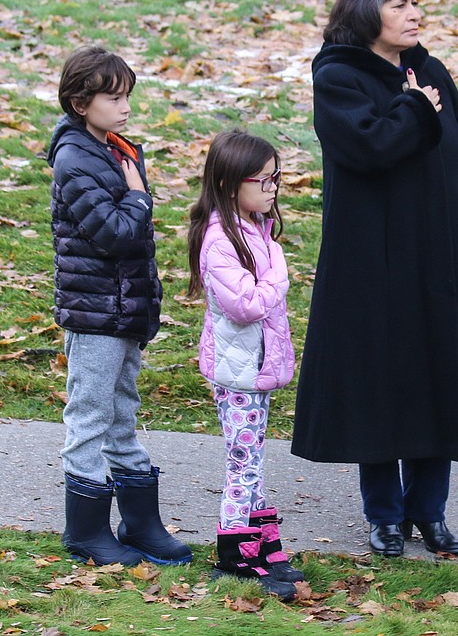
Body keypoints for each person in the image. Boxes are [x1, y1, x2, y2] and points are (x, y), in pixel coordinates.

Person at [290, 0, 458, 557]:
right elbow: (370, 147)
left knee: (440, 378)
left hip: (441, 256)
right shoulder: (339, 77)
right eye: (398, 4)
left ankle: (429, 512)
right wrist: (414, 109)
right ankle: (384, 514)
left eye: (415, 1)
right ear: (366, 12)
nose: (414, 13)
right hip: (374, 265)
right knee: (381, 386)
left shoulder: (429, 71)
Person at [47, 45, 191, 567]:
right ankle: (85, 530)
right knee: (89, 416)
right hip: (95, 313)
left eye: (127, 94)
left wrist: (135, 194)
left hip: (125, 309)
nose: (124, 105)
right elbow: (116, 234)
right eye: (113, 96)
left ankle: (138, 522)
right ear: (80, 102)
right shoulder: (74, 158)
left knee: (122, 413)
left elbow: (134, 235)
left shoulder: (119, 149)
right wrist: (138, 198)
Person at [187, 130, 304, 600]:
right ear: (233, 183)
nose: (274, 187)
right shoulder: (221, 240)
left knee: (251, 459)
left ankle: (256, 540)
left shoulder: (251, 227)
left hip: (253, 368)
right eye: (266, 178)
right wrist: (278, 270)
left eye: (278, 177)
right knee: (242, 464)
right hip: (238, 373)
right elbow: (248, 305)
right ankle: (234, 553)